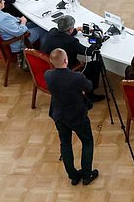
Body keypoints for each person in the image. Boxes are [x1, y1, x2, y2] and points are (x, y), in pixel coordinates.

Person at [45, 48, 99, 186]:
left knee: (65, 143)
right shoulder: (76, 77)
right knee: (87, 141)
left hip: (59, 115)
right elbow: (89, 86)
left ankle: (73, 175)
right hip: (76, 116)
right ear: (66, 60)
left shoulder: (48, 75)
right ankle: (87, 174)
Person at [41, 15, 104, 102]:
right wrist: (97, 42)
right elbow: (88, 52)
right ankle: (90, 94)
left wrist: (77, 30)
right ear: (70, 29)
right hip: (65, 66)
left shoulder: (52, 31)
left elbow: (63, 35)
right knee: (96, 64)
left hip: (50, 63)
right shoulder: (71, 42)